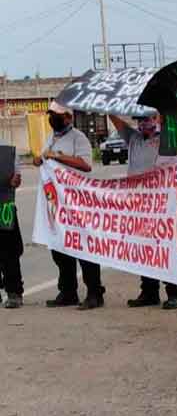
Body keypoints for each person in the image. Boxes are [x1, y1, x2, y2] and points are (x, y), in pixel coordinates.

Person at [35, 102, 105, 310]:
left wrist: (58, 157)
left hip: (79, 202)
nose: (52, 120)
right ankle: (68, 291)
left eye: (56, 116)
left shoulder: (78, 138)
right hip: (59, 205)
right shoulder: (51, 137)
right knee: (60, 248)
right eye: (51, 116)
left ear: (68, 118)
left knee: (84, 247)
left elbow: (85, 164)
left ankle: (94, 293)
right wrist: (40, 159)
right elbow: (45, 158)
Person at [110, 113, 177, 310]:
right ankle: (149, 291)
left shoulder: (168, 139)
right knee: (145, 249)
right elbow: (116, 121)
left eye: (147, 118)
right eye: (139, 119)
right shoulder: (134, 139)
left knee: (166, 248)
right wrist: (108, 105)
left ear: (157, 118)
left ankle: (174, 293)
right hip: (139, 205)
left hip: (162, 204)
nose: (143, 123)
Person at [0, 143, 23, 308]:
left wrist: (15, 180)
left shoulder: (7, 152)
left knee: (9, 251)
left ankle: (14, 292)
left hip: (5, 206)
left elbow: (17, 179)